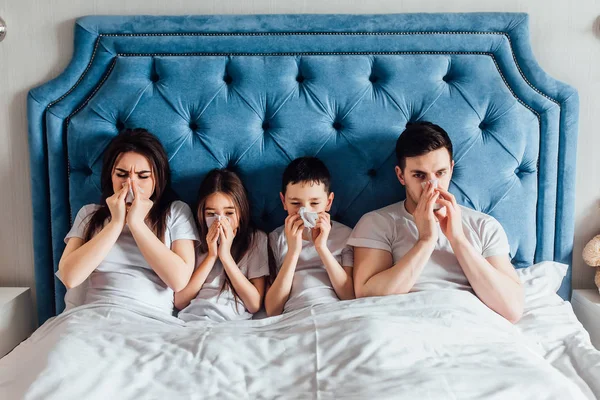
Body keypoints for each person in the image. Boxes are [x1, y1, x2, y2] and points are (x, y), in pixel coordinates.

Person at [347, 122, 524, 323]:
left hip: (470, 324)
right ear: (400, 175)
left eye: (440, 173)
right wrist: (426, 240)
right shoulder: (377, 223)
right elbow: (367, 298)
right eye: (419, 175)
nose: (432, 186)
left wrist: (458, 240)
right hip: (402, 325)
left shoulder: (484, 226)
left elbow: (512, 310)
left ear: (451, 169)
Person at [58, 128, 198, 314]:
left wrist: (137, 224)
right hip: (93, 315)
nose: (130, 184)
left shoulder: (175, 212)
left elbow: (179, 280)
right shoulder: (89, 214)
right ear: (111, 176)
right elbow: (70, 277)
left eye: (143, 176)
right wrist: (116, 223)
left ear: (157, 179)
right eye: (122, 174)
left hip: (150, 319)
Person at [265, 157, 354, 317]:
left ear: (328, 202)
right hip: (295, 314)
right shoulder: (275, 239)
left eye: (314, 203)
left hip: (335, 312)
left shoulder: (346, 235)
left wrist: (322, 248)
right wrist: (293, 250)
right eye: (295, 204)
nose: (304, 211)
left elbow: (350, 296)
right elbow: (272, 309)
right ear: (284, 201)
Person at [176, 169, 269, 322]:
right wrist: (212, 255)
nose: (219, 221)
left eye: (229, 213)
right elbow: (180, 301)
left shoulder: (256, 240)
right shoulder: (194, 239)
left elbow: (254, 304)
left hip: (231, 320)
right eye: (211, 214)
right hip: (194, 317)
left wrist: (225, 256)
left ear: (241, 214)